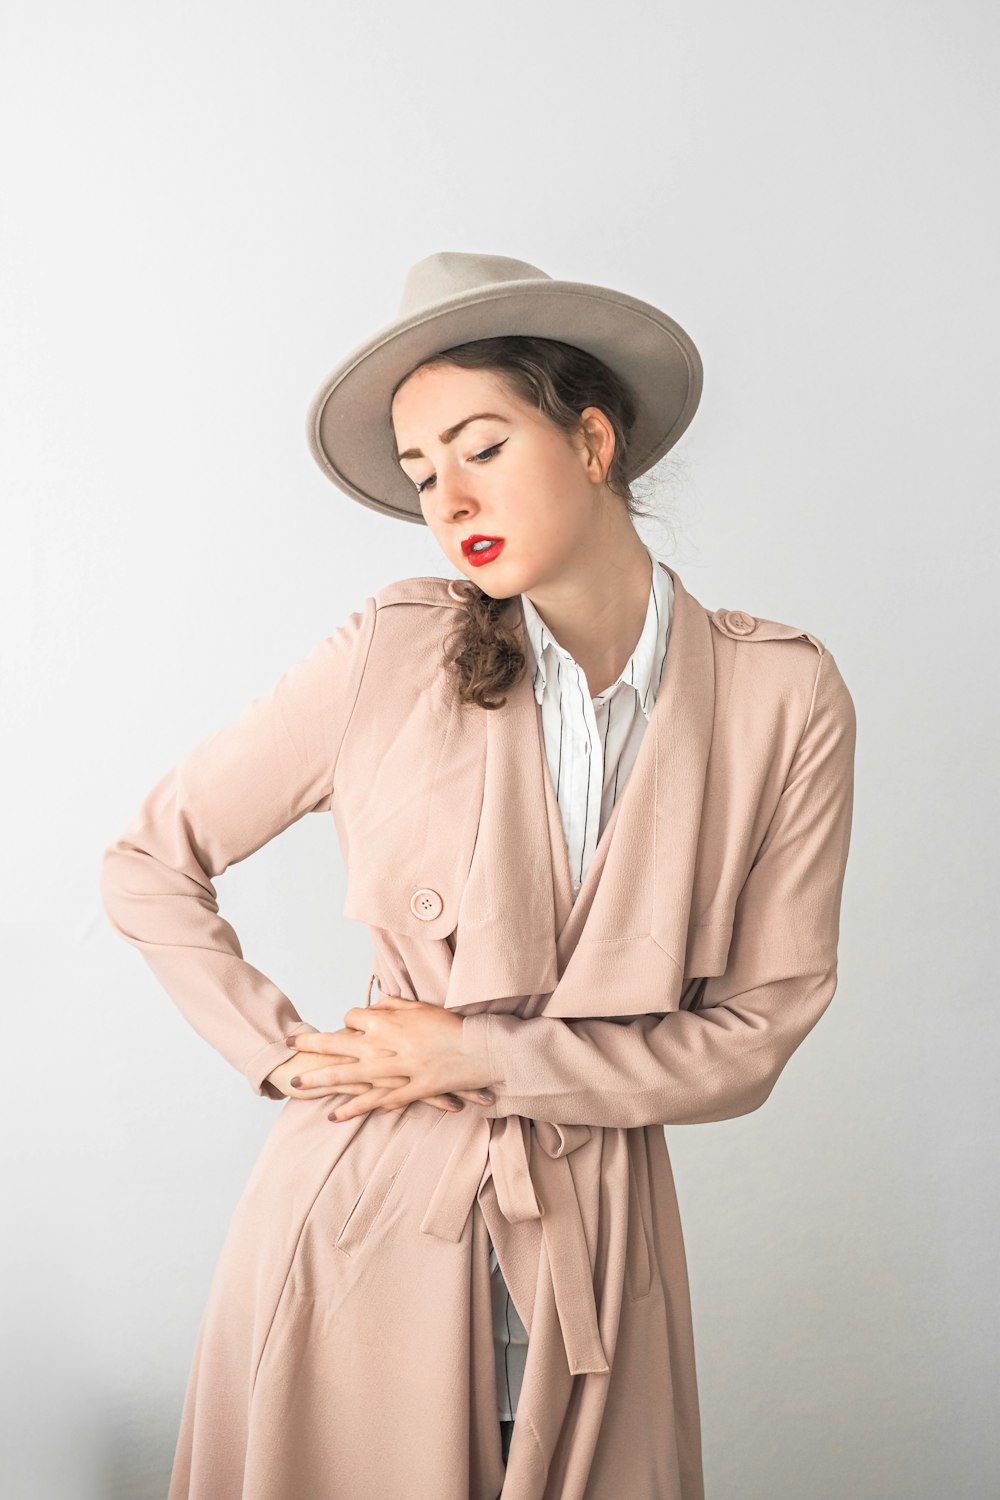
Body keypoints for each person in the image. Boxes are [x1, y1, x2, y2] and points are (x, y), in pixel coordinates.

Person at [100, 251, 857, 1500]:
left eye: (480, 446)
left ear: (594, 439)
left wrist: (484, 1056)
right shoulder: (392, 652)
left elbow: (753, 1038)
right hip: (364, 1220)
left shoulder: (781, 692)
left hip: (602, 1235)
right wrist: (281, 1052)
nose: (447, 497)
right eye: (419, 472)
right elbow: (146, 861)